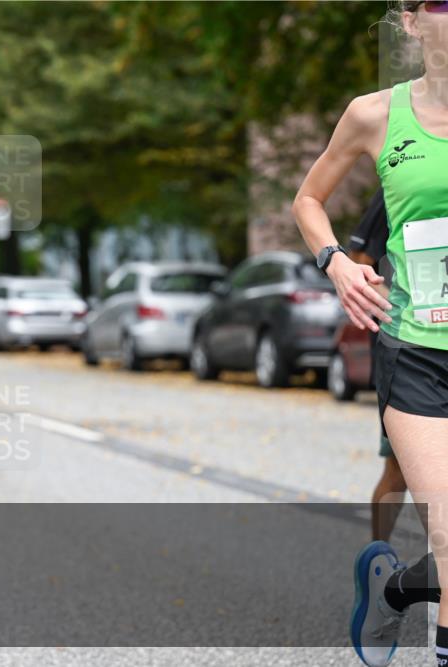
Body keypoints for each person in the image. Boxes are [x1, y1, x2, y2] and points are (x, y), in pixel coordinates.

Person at [292, 2, 446, 664]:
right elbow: (308, 199)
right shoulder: (375, 114)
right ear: (411, 21)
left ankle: (392, 592)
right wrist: (336, 263)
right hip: (418, 352)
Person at [348, 189, 409, 544]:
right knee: (399, 468)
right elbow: (358, 259)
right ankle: (379, 561)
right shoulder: (401, 179)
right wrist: (401, 311)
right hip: (408, 350)